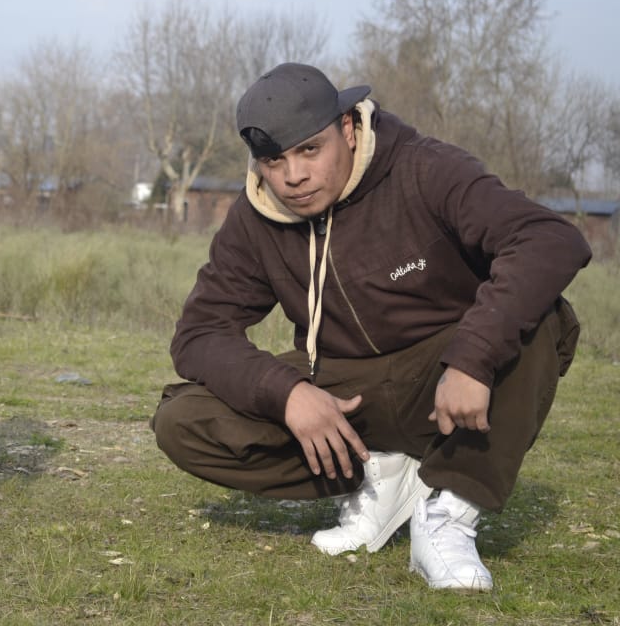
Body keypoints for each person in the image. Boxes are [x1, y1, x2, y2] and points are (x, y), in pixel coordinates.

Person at [151, 62, 590, 590]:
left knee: (542, 316)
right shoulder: (257, 216)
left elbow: (549, 239)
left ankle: (450, 510)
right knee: (183, 421)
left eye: (310, 150)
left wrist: (473, 357)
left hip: (443, 382)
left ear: (348, 128)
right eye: (274, 160)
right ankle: (378, 475)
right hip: (346, 392)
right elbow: (200, 333)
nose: (293, 176)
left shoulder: (424, 169)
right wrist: (286, 393)